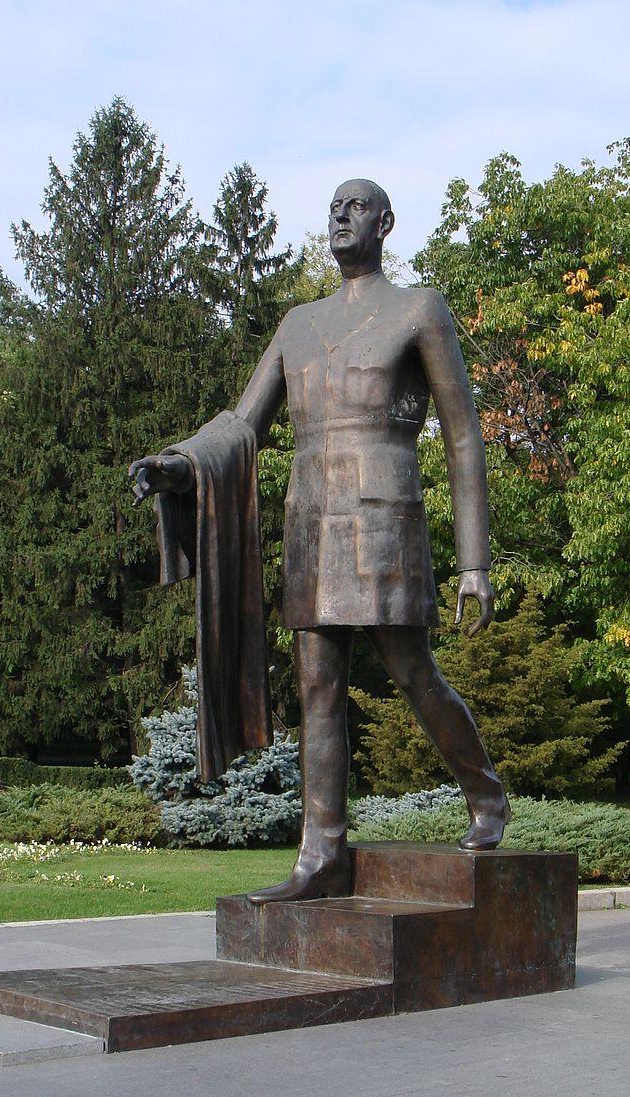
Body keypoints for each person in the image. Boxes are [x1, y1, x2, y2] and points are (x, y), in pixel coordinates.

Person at [130, 179, 511, 904]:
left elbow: (464, 435)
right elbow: (242, 425)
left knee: (411, 671)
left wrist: (474, 562)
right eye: (334, 205)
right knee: (317, 685)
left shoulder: (418, 309)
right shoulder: (297, 324)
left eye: (357, 204)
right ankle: (322, 851)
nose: (340, 214)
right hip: (311, 520)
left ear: (385, 222)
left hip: (385, 514)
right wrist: (179, 464)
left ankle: (486, 794)